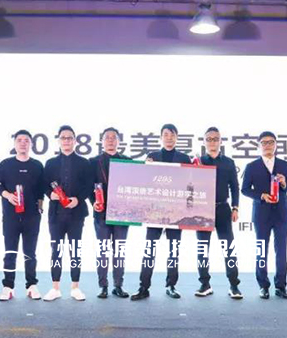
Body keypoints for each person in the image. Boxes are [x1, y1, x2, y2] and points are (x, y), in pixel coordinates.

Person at [132, 123, 192, 301]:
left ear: (177, 137)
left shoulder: (184, 158)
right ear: (161, 137)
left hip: (176, 212)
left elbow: (190, 184)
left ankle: (171, 285)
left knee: (174, 250)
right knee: (149, 249)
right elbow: (144, 182)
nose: (169, 138)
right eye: (166, 134)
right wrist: (146, 167)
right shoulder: (152, 156)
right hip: (155, 212)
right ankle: (144, 287)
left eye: (172, 135)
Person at [241, 131, 287, 300]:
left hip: (282, 214)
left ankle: (281, 286)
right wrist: (261, 196)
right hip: (261, 214)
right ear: (259, 146)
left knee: (281, 252)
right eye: (264, 143)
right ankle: (263, 286)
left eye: (271, 142)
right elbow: (244, 189)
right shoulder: (251, 166)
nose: (267, 145)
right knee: (261, 251)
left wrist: (284, 183)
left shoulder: (285, 165)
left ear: (275, 145)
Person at [43, 125, 94, 302]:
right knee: (56, 250)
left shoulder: (84, 163)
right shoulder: (50, 163)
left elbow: (89, 185)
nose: (66, 141)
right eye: (63, 138)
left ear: (75, 141)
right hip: (56, 214)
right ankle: (55, 287)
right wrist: (50, 194)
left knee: (75, 249)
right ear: (58, 140)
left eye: (69, 138)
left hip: (76, 214)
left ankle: (75, 287)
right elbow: (43, 184)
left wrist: (78, 199)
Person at [0, 130, 45, 301]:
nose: (23, 143)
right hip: (11, 216)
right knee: (10, 252)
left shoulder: (37, 165)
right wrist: (8, 196)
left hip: (32, 216)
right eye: (19, 140)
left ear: (31, 144)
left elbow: (41, 191)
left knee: (30, 252)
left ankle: (31, 285)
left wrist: (40, 209)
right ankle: (8, 286)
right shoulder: (5, 164)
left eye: (26, 140)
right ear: (14, 143)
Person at [195, 127, 242, 300]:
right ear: (204, 142)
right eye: (209, 139)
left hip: (223, 208)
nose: (212, 142)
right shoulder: (198, 162)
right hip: (202, 210)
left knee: (228, 247)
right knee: (202, 248)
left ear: (220, 141)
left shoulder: (228, 162)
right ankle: (204, 284)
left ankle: (234, 285)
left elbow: (235, 187)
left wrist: (235, 208)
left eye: (215, 139)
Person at [89, 127, 130, 299]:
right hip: (101, 214)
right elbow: (88, 186)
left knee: (119, 250)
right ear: (102, 141)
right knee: (103, 250)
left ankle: (118, 285)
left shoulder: (128, 161)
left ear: (119, 141)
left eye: (114, 137)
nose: (111, 140)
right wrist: (93, 202)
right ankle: (103, 286)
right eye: (107, 137)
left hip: (122, 214)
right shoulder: (93, 162)